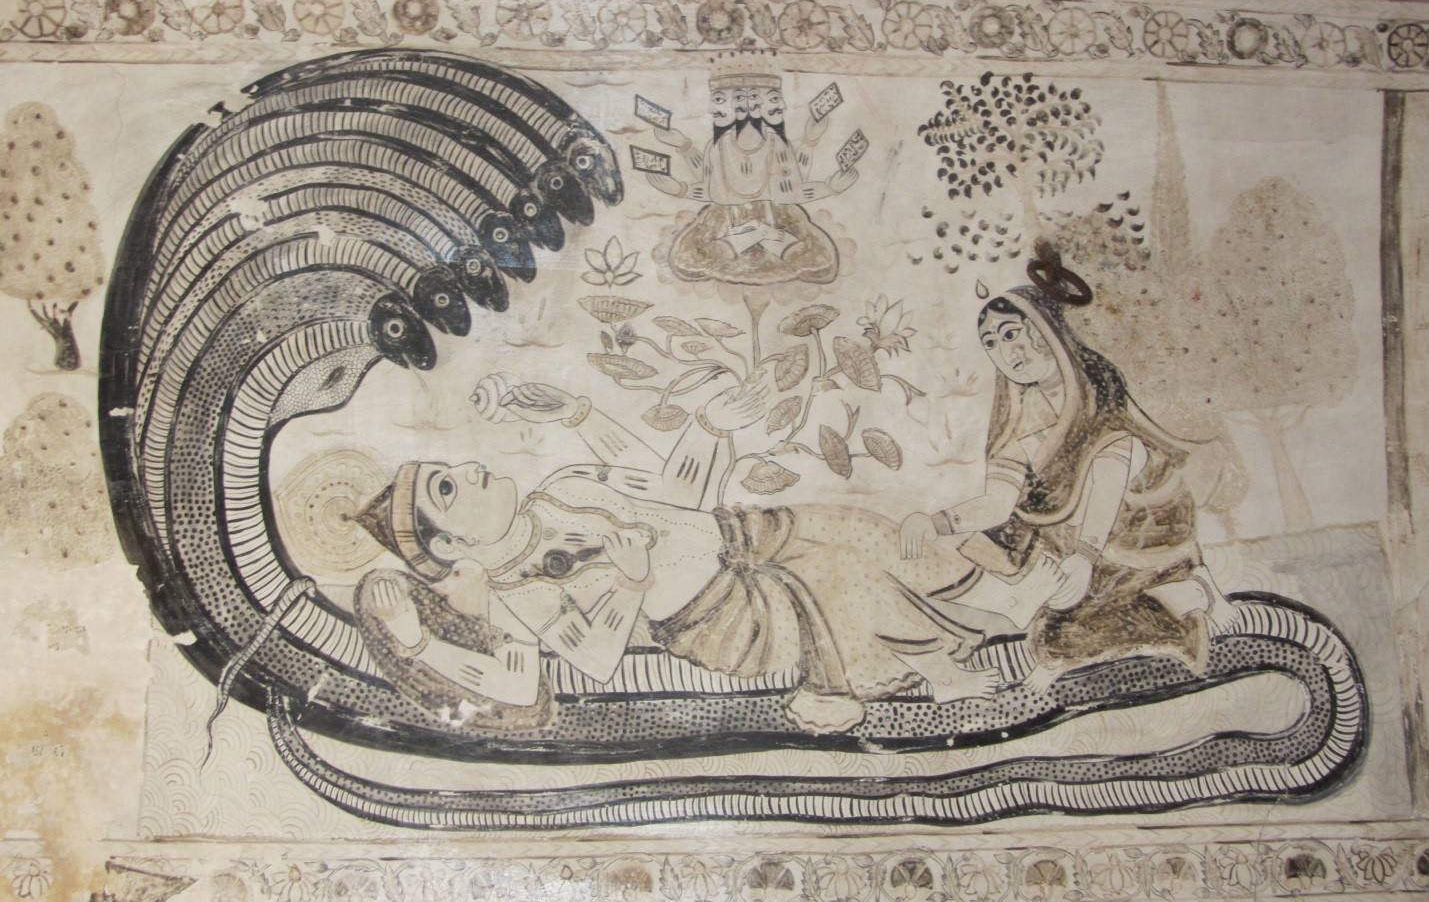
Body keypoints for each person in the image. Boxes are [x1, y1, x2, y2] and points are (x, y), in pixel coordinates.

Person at [353, 373, 950, 734]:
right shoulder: (516, 596)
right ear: (450, 544)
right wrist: (630, 584)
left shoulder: (560, 488)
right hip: (727, 615)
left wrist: (703, 427)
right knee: (849, 577)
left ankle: (981, 598)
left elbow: (671, 492)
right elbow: (562, 669)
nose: (468, 468)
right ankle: (911, 670)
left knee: (878, 535)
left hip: (745, 534)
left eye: (451, 467)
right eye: (448, 488)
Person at [898, 253, 1235, 695]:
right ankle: (1173, 600)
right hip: (1083, 552)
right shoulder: (1021, 422)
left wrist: (1084, 557)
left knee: (1103, 470)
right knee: (1053, 638)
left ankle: (1186, 590)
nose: (1006, 352)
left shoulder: (1096, 391)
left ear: (1045, 332)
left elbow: (1113, 465)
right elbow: (998, 503)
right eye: (992, 344)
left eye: (1011, 333)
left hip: (1139, 533)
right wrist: (936, 522)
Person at [645, 65, 857, 285]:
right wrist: (680, 173)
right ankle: (756, 234)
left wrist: (830, 185)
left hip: (775, 219)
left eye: (718, 101)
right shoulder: (718, 146)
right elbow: (710, 187)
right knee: (684, 262)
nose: (711, 109)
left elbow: (793, 189)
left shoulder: (775, 144)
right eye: (717, 100)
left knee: (822, 264)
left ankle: (757, 234)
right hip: (726, 221)